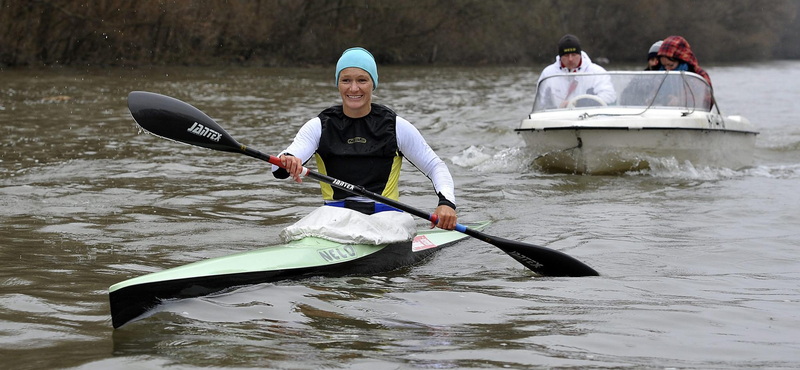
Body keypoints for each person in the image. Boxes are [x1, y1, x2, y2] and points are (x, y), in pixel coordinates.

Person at [272, 47, 457, 231]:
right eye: (346, 80)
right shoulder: (319, 126)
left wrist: (447, 203)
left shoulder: (396, 126)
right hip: (334, 218)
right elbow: (278, 168)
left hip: (386, 218)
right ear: (338, 84)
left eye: (362, 80)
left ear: (373, 83)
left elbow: (435, 166)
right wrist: (288, 159)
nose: (354, 88)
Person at [536, 34, 616, 109]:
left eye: (574, 55)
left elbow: (609, 97)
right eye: (566, 55)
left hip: (590, 117)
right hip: (558, 119)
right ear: (560, 56)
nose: (570, 59)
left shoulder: (597, 72)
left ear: (580, 54)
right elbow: (540, 104)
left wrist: (578, 103)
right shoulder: (548, 74)